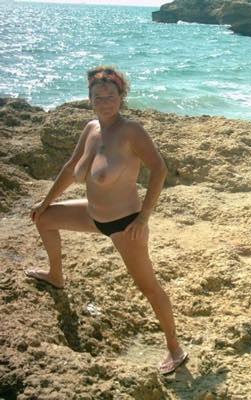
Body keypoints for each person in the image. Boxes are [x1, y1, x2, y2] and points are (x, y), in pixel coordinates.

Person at [25, 66, 187, 375]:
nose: (104, 102)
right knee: (44, 219)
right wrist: (45, 202)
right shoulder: (91, 128)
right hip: (92, 214)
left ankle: (175, 349)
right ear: (90, 99)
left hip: (124, 224)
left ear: (121, 97)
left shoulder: (131, 131)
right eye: (98, 97)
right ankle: (55, 275)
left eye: (110, 96)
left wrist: (143, 218)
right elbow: (70, 168)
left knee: (149, 288)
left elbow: (159, 169)